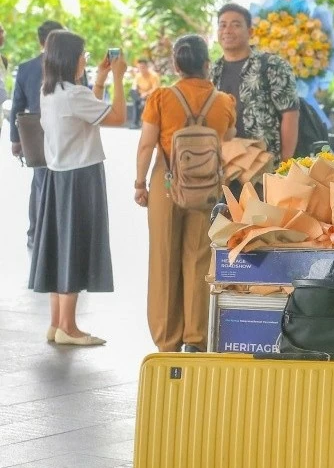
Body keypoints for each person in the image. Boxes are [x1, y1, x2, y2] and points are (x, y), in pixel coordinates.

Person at [134, 35, 236, 353]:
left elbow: (147, 144)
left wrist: (140, 184)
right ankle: (195, 337)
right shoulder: (224, 102)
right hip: (205, 191)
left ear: (177, 65)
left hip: (166, 187)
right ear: (207, 65)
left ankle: (167, 340)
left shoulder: (162, 97)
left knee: (164, 259)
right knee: (198, 259)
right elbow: (227, 147)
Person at [30, 30, 127, 346]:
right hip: (81, 177)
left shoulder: (52, 92)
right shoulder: (73, 95)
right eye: (83, 53)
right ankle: (69, 328)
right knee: (75, 245)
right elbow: (117, 117)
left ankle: (57, 322)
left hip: (58, 177)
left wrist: (99, 80)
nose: (87, 58)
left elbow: (89, 113)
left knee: (61, 245)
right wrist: (119, 78)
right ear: (71, 58)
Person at [211, 3, 299, 165]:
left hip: (264, 166)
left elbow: (290, 114)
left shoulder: (272, 65)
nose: (228, 30)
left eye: (236, 25)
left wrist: (285, 163)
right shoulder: (213, 71)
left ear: (250, 32)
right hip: (223, 165)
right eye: (222, 25)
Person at [9, 20, 65, 250]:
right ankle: (59, 234)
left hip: (36, 135)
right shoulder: (70, 66)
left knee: (40, 183)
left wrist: (16, 140)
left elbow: (17, 106)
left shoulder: (26, 68)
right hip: (65, 134)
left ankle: (36, 233)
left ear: (40, 40)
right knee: (62, 184)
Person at [130, 58, 161, 129]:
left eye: (143, 67)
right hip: (140, 96)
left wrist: (146, 94)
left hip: (150, 96)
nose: (141, 69)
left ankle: (137, 122)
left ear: (147, 67)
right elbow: (134, 87)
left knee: (138, 101)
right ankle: (135, 123)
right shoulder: (138, 76)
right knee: (134, 96)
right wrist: (138, 94)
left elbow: (155, 89)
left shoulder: (154, 76)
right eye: (139, 67)